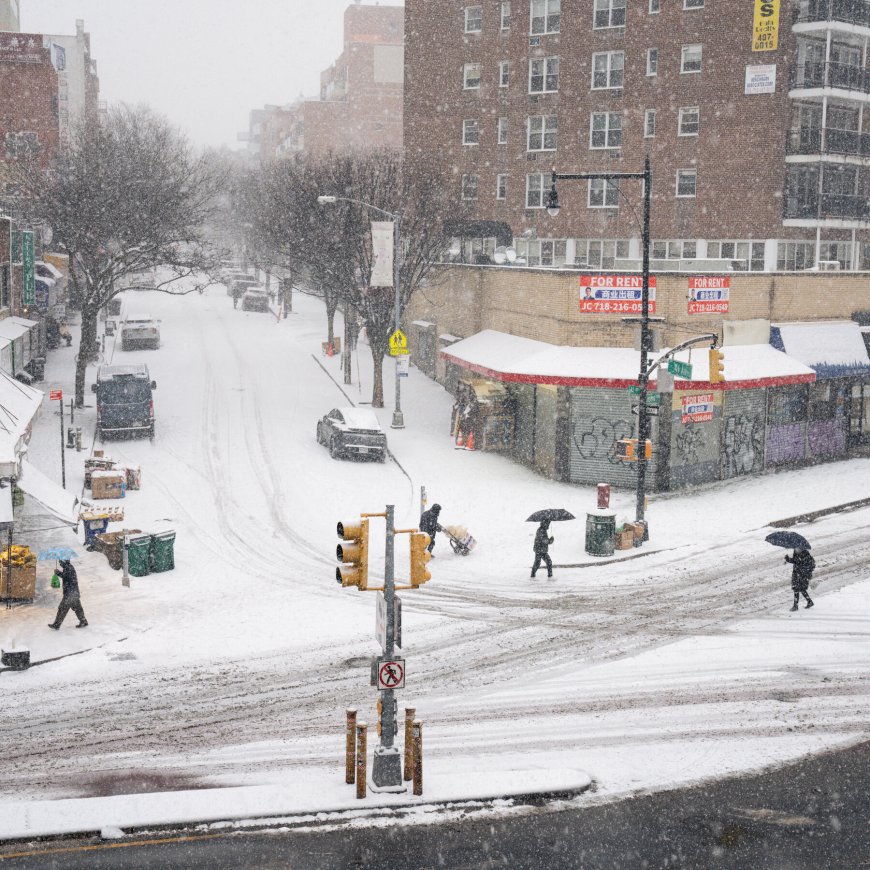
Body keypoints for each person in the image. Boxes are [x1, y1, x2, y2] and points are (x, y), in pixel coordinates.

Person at [48, 559, 88, 629]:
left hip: (70, 594)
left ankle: (56, 625)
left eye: (61, 562)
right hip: (74, 593)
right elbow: (67, 577)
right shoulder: (69, 567)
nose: (60, 564)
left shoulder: (68, 568)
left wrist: (58, 573)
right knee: (78, 608)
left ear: (64, 561)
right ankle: (83, 621)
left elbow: (66, 576)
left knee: (62, 608)